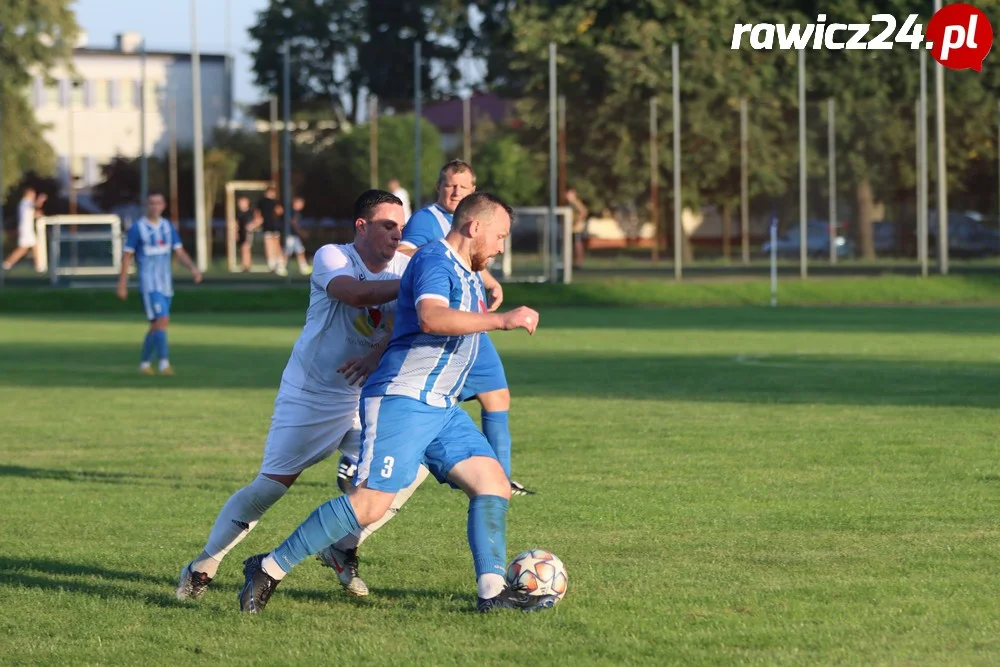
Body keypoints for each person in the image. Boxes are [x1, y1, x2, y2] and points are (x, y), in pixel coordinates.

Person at [238, 192, 555, 614]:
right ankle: (268, 567)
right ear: (474, 228)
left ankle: (492, 593)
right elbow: (430, 317)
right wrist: (501, 320)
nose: (501, 246)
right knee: (370, 504)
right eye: (499, 236)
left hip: (440, 407)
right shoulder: (435, 261)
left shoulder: (468, 271)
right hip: (402, 401)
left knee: (493, 483)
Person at [177, 189, 419, 601]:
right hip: (313, 394)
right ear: (361, 227)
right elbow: (356, 294)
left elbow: (404, 322)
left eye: (401, 226)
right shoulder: (333, 257)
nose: (397, 234)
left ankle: (343, 548)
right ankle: (204, 563)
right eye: (387, 225)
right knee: (271, 488)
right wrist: (418, 278)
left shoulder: (406, 262)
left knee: (407, 473)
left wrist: (377, 353)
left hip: (366, 396)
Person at [383, 159, 535, 495]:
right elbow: (405, 255)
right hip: (445, 326)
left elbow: (467, 257)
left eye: (463, 187)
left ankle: (499, 479)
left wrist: (489, 280)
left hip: (471, 327)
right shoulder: (428, 220)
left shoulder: (472, 221)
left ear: (473, 192)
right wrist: (431, 262)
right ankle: (369, 460)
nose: (455, 191)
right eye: (450, 184)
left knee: (497, 397)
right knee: (426, 406)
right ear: (439, 187)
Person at [116, 192, 202, 375]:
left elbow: (179, 252)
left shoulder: (168, 227)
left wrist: (193, 268)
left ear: (163, 205)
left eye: (158, 203)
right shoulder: (138, 228)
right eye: (151, 203)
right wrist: (122, 284)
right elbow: (126, 257)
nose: (155, 206)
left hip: (166, 285)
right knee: (162, 320)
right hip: (150, 285)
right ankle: (164, 364)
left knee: (157, 325)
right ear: (146, 206)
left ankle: (145, 363)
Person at [2, 187, 40, 272]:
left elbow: (31, 213)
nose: (34, 195)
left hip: (26, 229)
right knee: (24, 248)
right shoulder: (25, 202)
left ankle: (38, 266)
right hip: (26, 229)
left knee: (28, 248)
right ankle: (7, 263)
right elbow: (35, 206)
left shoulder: (24, 204)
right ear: (28, 194)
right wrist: (40, 200)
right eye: (33, 194)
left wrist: (36, 215)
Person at [256, 186, 286, 276]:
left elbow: (257, 214)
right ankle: (277, 263)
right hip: (272, 225)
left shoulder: (262, 202)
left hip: (270, 225)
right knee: (273, 244)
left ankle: (274, 263)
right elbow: (280, 211)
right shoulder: (273, 202)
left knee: (271, 244)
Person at [283, 196, 311, 275]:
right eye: (301, 203)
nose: (302, 205)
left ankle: (303, 267)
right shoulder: (293, 212)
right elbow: (294, 223)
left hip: (294, 236)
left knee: (300, 251)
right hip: (290, 235)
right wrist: (301, 232)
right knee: (287, 251)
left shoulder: (296, 212)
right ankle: (281, 266)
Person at [565, 188, 589, 267]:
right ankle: (573, 262)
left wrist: (577, 221)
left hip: (576, 228)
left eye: (570, 195)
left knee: (577, 244)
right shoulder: (569, 204)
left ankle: (579, 261)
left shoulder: (576, 203)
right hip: (571, 228)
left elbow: (584, 211)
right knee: (572, 245)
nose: (568, 196)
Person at [235, 195, 260, 272]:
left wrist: (252, 226)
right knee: (242, 248)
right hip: (241, 232)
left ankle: (247, 265)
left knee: (246, 247)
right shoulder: (238, 213)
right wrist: (235, 232)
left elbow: (259, 220)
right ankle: (244, 265)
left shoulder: (251, 212)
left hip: (248, 232)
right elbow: (236, 223)